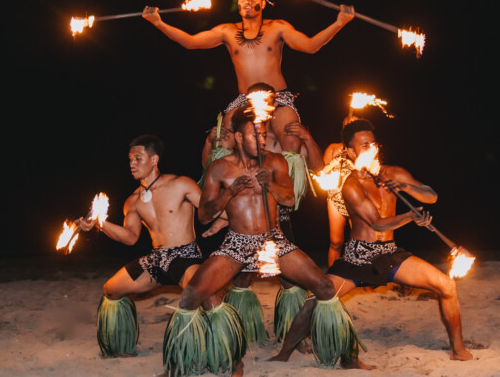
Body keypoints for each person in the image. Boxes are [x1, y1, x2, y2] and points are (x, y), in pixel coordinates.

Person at [162, 106, 371, 376]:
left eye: (263, 134)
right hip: (237, 242)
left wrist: (270, 185)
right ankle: (185, 365)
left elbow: (289, 200)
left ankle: (342, 357)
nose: (262, 140)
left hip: (273, 241)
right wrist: (230, 193)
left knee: (324, 287)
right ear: (239, 138)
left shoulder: (275, 162)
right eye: (255, 135)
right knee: (191, 294)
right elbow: (203, 216)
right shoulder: (219, 169)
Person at [272, 119, 474, 363]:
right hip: (359, 257)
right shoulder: (351, 185)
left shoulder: (393, 173)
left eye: (374, 143)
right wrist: (410, 217)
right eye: (364, 145)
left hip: (389, 253)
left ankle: (458, 350)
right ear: (351, 152)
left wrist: (406, 186)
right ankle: (283, 354)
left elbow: (431, 196)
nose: (372, 149)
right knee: (315, 302)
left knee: (446, 285)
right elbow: (377, 223)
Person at [143, 0, 354, 155]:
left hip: (277, 97)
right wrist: (158, 22)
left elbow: (310, 46)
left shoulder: (278, 27)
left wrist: (340, 23)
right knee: (222, 140)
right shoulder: (226, 31)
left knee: (291, 139)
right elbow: (190, 42)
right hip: (244, 99)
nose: (247, 1)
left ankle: (288, 190)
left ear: (263, 3)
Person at [75, 134, 222, 359]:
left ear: (154, 160)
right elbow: (130, 237)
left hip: (184, 256)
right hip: (156, 259)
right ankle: (121, 346)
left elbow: (210, 211)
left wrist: (224, 217)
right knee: (111, 290)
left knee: (209, 299)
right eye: (130, 160)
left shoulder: (181, 184)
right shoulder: (132, 201)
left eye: (138, 158)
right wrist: (100, 223)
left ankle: (222, 349)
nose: (132, 164)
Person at [321, 115, 360, 266]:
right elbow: (321, 173)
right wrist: (335, 160)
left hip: (356, 197)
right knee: (336, 242)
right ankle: (333, 275)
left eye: (354, 123)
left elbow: (370, 173)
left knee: (360, 241)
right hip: (335, 197)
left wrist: (352, 159)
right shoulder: (333, 147)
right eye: (347, 124)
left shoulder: (365, 149)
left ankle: (361, 275)